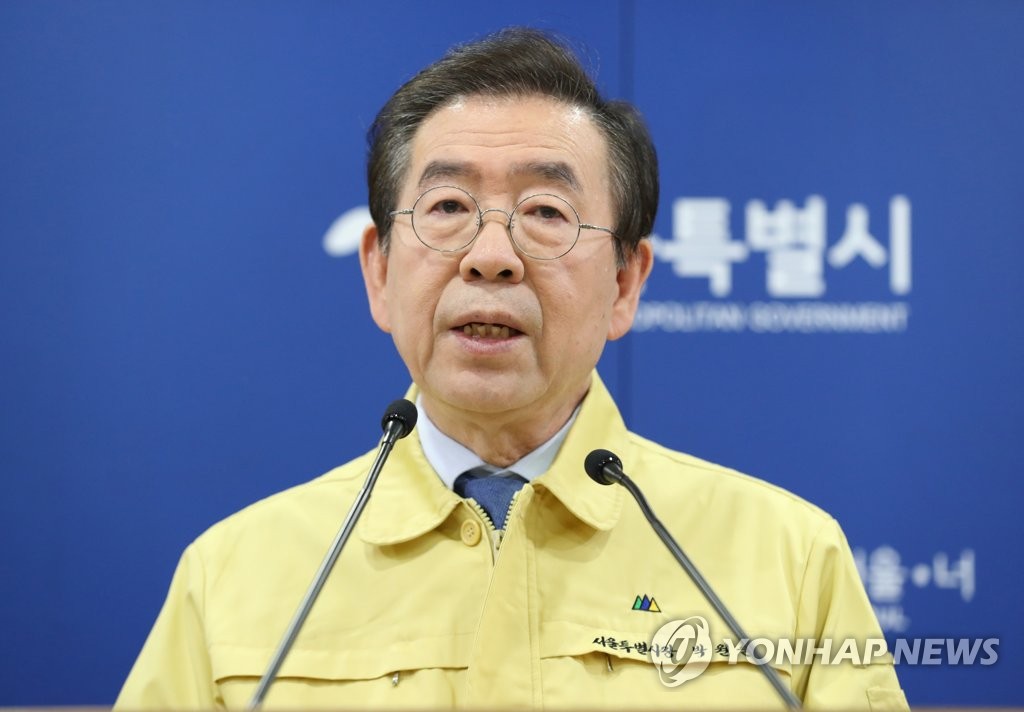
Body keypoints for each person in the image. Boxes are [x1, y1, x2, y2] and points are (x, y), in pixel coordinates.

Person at [116, 28, 908, 710]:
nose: (491, 256)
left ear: (626, 284)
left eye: (545, 213)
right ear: (379, 272)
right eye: (448, 208)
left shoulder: (788, 561)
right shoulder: (234, 578)